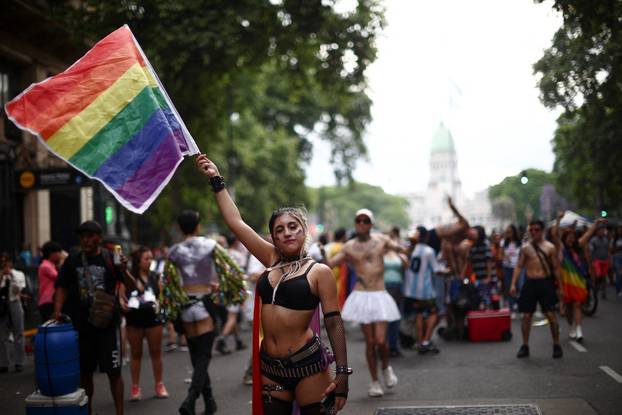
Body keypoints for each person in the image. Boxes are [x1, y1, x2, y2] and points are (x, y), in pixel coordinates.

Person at [196, 154, 350, 415]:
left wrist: (343, 375)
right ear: (274, 238)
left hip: (308, 366)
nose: (287, 232)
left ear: (304, 232)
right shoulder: (270, 258)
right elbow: (236, 222)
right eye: (279, 230)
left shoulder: (319, 271)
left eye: (293, 227)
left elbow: (334, 322)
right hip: (271, 368)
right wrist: (216, 180)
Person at [53, 220, 137, 415]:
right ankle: (87, 411)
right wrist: (57, 311)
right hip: (82, 325)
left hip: (108, 325)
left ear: (99, 238)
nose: (85, 240)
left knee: (114, 372)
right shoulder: (72, 260)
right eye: (83, 236)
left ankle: (119, 412)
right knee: (85, 373)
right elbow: (62, 286)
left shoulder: (110, 259)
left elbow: (132, 287)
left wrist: (123, 270)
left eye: (90, 236)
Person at [325, 208, 401, 398]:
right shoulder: (349, 246)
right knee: (370, 342)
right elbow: (330, 264)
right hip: (362, 295)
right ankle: (374, 382)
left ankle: (386, 367)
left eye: (365, 221)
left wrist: (411, 245)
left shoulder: (381, 240)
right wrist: (317, 254)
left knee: (382, 342)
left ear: (371, 224)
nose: (361, 224)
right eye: (358, 220)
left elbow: (400, 248)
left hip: (380, 294)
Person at [166, 210, 223, 415]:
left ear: (181, 229)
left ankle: (209, 401)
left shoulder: (173, 251)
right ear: (198, 226)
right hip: (204, 305)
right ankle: (192, 397)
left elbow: (169, 282)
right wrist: (217, 287)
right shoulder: (210, 245)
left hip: (185, 307)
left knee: (196, 355)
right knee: (204, 355)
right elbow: (228, 272)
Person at [120, 246, 168, 401]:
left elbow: (161, 296)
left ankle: (159, 385)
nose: (149, 262)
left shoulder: (155, 276)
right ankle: (135, 388)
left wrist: (161, 303)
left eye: (150, 258)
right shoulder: (129, 277)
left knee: (156, 353)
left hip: (153, 320)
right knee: (136, 354)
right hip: (134, 320)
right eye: (146, 259)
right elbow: (121, 296)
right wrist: (123, 304)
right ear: (138, 261)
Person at [510, 219, 563, 359]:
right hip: (530, 283)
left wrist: (561, 288)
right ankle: (525, 345)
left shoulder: (550, 247)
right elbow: (519, 266)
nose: (533, 232)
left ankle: (556, 344)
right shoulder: (526, 248)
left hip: (545, 283)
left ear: (542, 231)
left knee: (551, 316)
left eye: (536, 230)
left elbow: (556, 268)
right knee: (526, 316)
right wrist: (513, 284)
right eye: (531, 230)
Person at [551, 214, 602, 343]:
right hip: (565, 282)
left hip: (578, 281)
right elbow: (554, 235)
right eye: (568, 237)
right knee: (568, 308)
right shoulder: (561, 248)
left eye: (573, 237)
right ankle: (571, 327)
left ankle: (579, 330)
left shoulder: (578, 246)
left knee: (578, 304)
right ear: (565, 238)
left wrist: (596, 223)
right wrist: (558, 220)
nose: (571, 239)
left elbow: (588, 234)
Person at [403, 227, 441, 354]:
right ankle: (426, 341)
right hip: (425, 290)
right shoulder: (429, 251)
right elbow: (436, 270)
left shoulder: (410, 251)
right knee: (434, 313)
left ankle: (420, 342)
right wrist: (448, 271)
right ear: (427, 237)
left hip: (412, 290)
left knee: (419, 314)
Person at [0, 253, 27, 373]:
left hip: (14, 302)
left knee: (19, 333)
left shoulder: (18, 274)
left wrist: (10, 276)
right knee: (2, 335)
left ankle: (19, 362)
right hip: (1, 305)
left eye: (6, 262)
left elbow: (19, 289)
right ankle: (3, 363)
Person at [383, 227, 407, 358]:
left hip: (398, 287)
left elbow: (407, 266)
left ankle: (393, 345)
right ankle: (384, 345)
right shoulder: (381, 254)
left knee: (396, 317)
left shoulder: (399, 254)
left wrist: (399, 253)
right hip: (385, 287)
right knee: (386, 317)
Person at [37, 241, 63, 322]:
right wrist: (63, 261)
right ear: (51, 253)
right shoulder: (45, 266)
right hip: (48, 301)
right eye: (58, 252)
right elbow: (60, 278)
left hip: (52, 300)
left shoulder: (51, 265)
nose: (60, 254)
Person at [501, 225, 522, 315]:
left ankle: (520, 306)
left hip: (518, 267)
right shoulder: (503, 243)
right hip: (507, 268)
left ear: (514, 232)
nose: (508, 233)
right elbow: (501, 254)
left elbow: (522, 255)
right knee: (510, 287)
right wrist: (505, 257)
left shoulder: (520, 243)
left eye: (510, 231)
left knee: (519, 286)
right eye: (507, 232)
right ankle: (511, 307)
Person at [588, 223, 611, 299]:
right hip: (596, 261)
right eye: (600, 230)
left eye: (603, 230)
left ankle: (603, 291)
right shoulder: (593, 240)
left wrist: (610, 260)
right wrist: (591, 262)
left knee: (604, 276)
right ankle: (595, 286)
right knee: (598, 275)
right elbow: (590, 251)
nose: (602, 232)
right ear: (597, 231)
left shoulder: (606, 239)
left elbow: (608, 250)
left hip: (605, 260)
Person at [612, 225, 622, 297]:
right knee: (619, 274)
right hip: (617, 258)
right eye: (619, 230)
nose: (620, 231)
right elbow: (612, 250)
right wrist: (618, 248)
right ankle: (618, 290)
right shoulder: (614, 239)